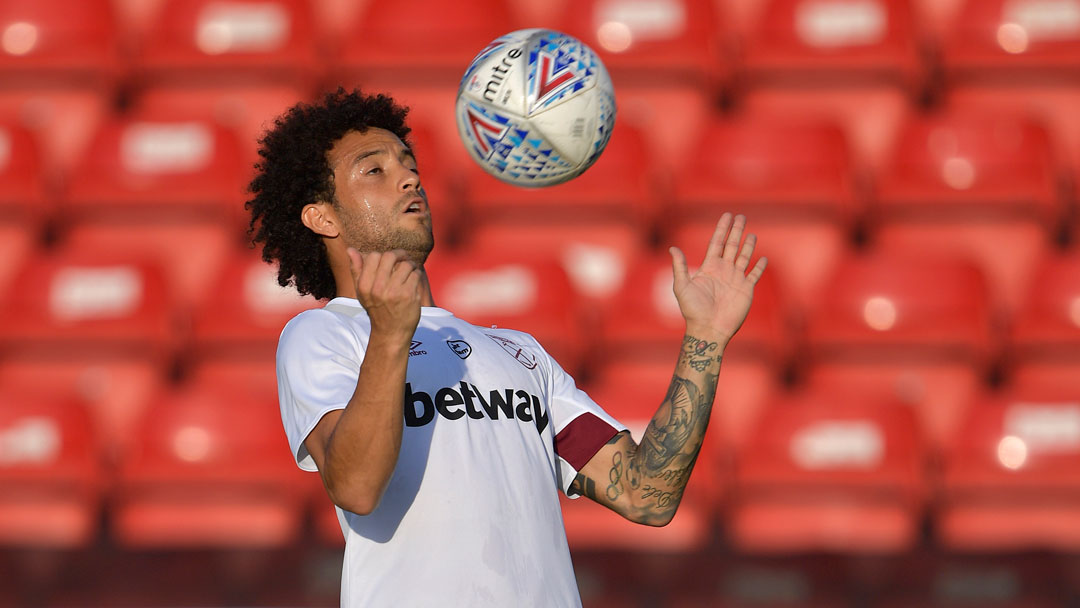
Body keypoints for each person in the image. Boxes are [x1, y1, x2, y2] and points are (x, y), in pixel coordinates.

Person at [247, 88, 767, 607]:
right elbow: (356, 488)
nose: (409, 177)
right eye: (374, 170)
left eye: (408, 163)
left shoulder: (521, 354)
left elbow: (645, 495)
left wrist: (705, 339)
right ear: (322, 218)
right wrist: (389, 335)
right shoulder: (323, 335)